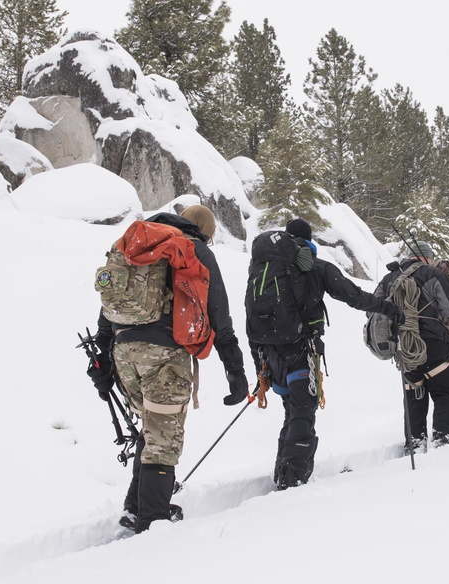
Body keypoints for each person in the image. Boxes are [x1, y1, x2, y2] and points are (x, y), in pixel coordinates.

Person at [89, 208, 248, 532]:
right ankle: (153, 519)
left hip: (124, 352)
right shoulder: (195, 250)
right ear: (204, 229)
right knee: (163, 438)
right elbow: (220, 315)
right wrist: (235, 371)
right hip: (165, 354)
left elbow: (108, 310)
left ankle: (137, 507)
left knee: (151, 429)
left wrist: (103, 360)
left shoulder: (135, 246)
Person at [250, 219, 403, 489]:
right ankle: (293, 478)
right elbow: (353, 296)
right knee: (302, 412)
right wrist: (387, 308)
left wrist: (259, 364)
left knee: (292, 411)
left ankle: (283, 471)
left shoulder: (264, 269)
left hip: (270, 354)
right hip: (301, 349)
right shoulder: (315, 267)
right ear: (308, 240)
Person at [375, 240, 449, 452]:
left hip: (404, 348)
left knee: (414, 395)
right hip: (433, 344)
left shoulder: (389, 278)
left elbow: (374, 309)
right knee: (446, 392)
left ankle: (415, 443)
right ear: (426, 257)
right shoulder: (432, 274)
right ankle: (445, 441)